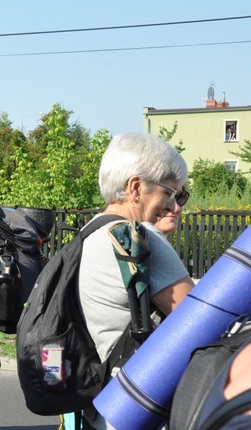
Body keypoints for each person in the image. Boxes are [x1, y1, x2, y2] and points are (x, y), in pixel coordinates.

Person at [78, 133, 195, 429]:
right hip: (139, 408)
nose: (175, 205)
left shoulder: (91, 232)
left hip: (102, 406)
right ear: (135, 188)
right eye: (170, 193)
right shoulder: (138, 239)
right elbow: (201, 319)